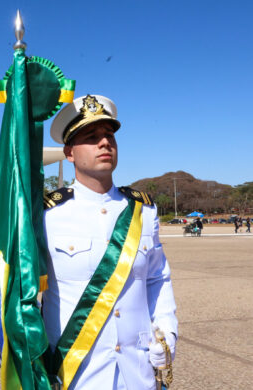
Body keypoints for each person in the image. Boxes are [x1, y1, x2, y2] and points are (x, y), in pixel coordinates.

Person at [42, 95, 178, 389]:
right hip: (75, 374)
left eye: (109, 136)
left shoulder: (143, 210)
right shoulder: (45, 215)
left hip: (138, 372)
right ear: (69, 153)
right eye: (91, 137)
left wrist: (167, 332)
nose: (105, 143)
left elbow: (157, 277)